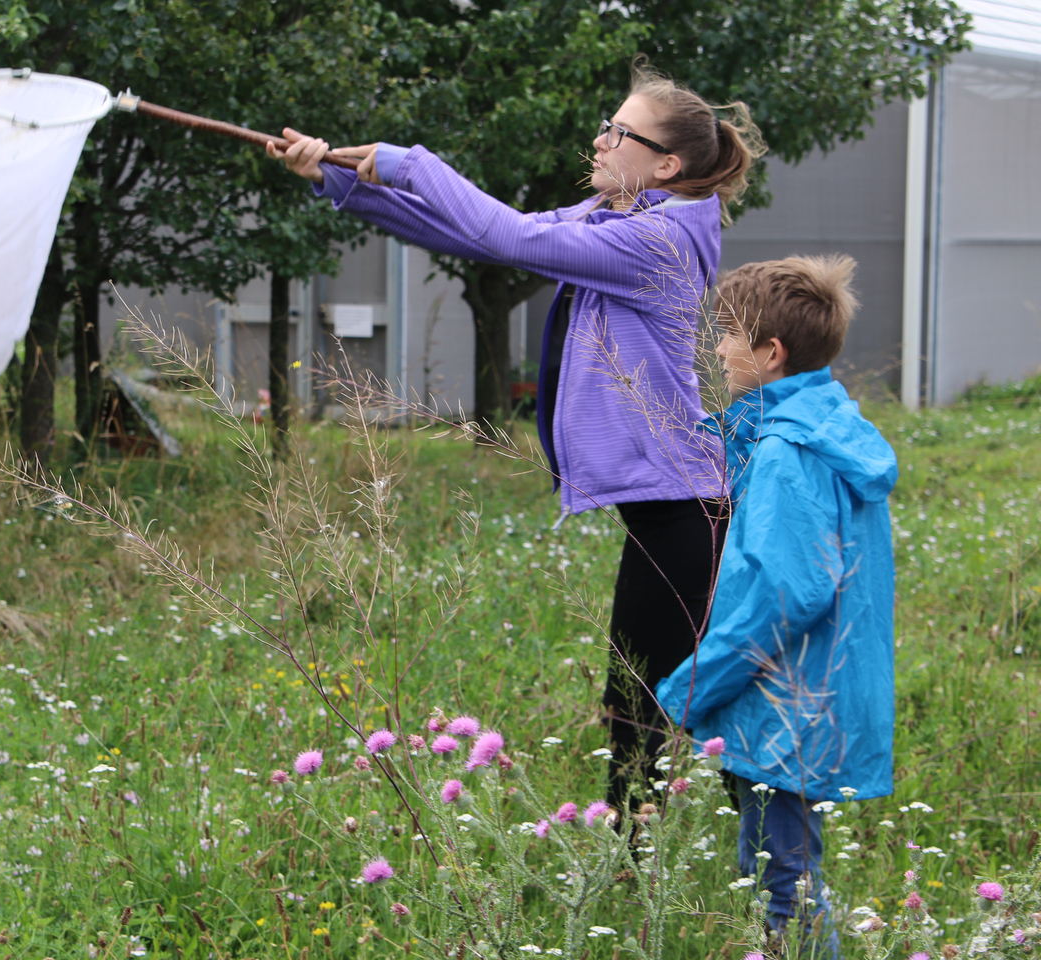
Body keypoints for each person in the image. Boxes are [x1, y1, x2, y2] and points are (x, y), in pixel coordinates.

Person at [270, 65, 763, 806]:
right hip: (674, 513)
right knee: (647, 701)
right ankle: (678, 853)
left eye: (619, 132)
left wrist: (407, 160)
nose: (599, 140)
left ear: (667, 165)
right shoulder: (614, 219)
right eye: (607, 123)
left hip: (688, 516)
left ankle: (752, 852)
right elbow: (478, 236)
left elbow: (508, 231)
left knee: (658, 704)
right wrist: (340, 182)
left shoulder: (656, 242)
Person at [655, 255, 897, 942]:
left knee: (782, 890)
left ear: (772, 351)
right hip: (811, 694)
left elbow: (785, 596)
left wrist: (690, 689)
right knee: (787, 875)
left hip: (788, 702)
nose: (722, 349)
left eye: (731, 334)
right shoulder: (826, 426)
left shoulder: (791, 453)